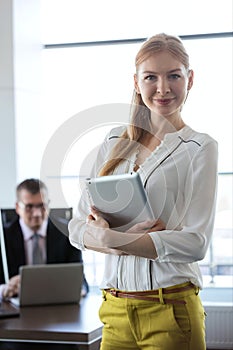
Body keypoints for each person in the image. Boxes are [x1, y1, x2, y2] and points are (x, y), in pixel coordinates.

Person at [68, 33, 218, 350]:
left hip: (171, 310)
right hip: (115, 310)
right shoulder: (113, 142)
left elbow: (196, 243)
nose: (162, 88)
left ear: (190, 79)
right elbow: (76, 227)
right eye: (150, 77)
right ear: (136, 82)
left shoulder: (200, 147)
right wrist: (114, 242)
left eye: (173, 76)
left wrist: (112, 239)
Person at [0, 178, 89, 300]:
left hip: (57, 307)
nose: (36, 213)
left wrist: (79, 290)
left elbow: (81, 283)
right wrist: (5, 288)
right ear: (17, 207)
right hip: (15, 307)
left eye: (42, 206)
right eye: (29, 207)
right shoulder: (3, 238)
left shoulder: (67, 233)